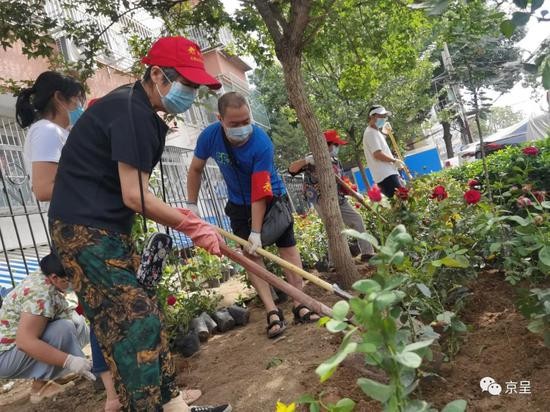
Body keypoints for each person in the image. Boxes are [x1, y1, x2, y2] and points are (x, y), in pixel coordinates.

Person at [48, 36, 230, 412]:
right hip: (85, 233)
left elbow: (134, 194)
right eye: (187, 84)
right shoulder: (131, 112)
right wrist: (192, 225)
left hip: (104, 230)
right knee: (137, 322)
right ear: (158, 74)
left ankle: (173, 407)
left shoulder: (136, 109)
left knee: (138, 320)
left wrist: (189, 222)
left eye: (196, 87)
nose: (191, 93)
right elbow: (136, 197)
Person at [16, 74, 121, 412]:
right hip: (77, 230)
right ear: (60, 98)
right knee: (102, 307)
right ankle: (113, 395)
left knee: (104, 307)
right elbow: (43, 187)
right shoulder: (46, 131)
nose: (78, 107)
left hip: (88, 224)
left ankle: (114, 391)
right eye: (76, 100)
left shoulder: (60, 133)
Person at [187, 91, 320, 340]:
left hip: (271, 199)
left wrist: (256, 232)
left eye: (246, 121)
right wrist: (191, 205)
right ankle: (272, 311)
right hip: (238, 204)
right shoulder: (209, 137)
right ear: (220, 119)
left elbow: (260, 192)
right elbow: (195, 169)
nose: (242, 128)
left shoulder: (261, 143)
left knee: (288, 250)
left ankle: (300, 302)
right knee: (251, 257)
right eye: (234, 124)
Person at [0, 253, 92, 403]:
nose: (73, 284)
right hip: (5, 355)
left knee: (77, 322)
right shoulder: (40, 294)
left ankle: (57, 374)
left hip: (14, 347)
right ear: (55, 277)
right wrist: (70, 361)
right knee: (63, 329)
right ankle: (40, 388)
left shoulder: (47, 276)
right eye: (68, 280)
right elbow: (24, 342)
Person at [288, 129, 375, 263]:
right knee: (333, 227)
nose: (337, 148)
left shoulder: (336, 160)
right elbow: (291, 169)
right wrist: (306, 160)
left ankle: (367, 253)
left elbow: (342, 181)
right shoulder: (312, 158)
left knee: (357, 220)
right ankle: (334, 262)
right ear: (327, 145)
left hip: (339, 198)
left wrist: (354, 193)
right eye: (336, 145)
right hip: (321, 200)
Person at [362, 105, 405, 198]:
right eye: (381, 116)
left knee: (402, 203)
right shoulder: (370, 133)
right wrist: (394, 160)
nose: (384, 119)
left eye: (385, 116)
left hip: (387, 174)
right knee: (402, 203)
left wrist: (384, 133)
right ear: (373, 116)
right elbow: (377, 154)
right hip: (386, 176)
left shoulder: (375, 132)